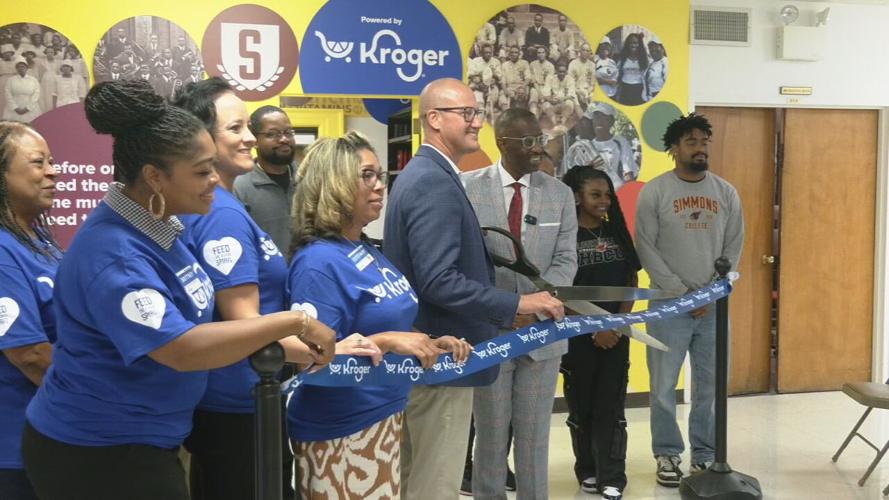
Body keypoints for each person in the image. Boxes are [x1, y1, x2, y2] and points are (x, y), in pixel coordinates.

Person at [20, 79, 335, 500]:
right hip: (99, 449)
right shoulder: (115, 253)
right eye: (202, 171)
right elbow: (181, 348)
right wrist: (297, 321)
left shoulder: (163, 228)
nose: (213, 180)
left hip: (150, 436)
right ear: (154, 177)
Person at [383, 77, 564, 500]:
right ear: (434, 119)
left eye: (476, 112)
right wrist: (515, 301)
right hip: (442, 358)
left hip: (432, 353)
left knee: (417, 475)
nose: (476, 122)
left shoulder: (429, 174)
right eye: (465, 113)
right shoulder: (432, 181)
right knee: (435, 483)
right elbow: (438, 279)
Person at [287, 131, 470, 499]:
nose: (379, 186)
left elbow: (384, 320)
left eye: (379, 176)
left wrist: (425, 341)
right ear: (333, 183)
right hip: (340, 429)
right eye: (366, 176)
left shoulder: (364, 248)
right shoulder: (319, 263)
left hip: (382, 416)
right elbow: (315, 360)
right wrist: (388, 342)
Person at [173, 78, 315, 500]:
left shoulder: (224, 205)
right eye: (235, 129)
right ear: (201, 138)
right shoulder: (221, 214)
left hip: (239, 399)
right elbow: (245, 326)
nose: (250, 138)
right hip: (238, 402)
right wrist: (328, 351)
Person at [463, 107, 577, 500]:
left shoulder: (559, 193)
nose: (537, 149)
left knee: (534, 441)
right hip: (492, 333)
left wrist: (538, 304)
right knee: (490, 440)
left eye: (539, 141)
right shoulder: (466, 188)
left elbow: (566, 259)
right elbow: (466, 262)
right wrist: (506, 307)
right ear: (503, 142)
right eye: (527, 142)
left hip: (542, 336)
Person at [634, 113, 744, 487]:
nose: (700, 149)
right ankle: (667, 453)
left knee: (710, 387)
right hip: (668, 305)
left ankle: (705, 454)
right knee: (664, 386)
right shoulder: (656, 192)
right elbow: (646, 248)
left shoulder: (726, 193)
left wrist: (712, 291)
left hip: (714, 307)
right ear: (674, 149)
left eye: (704, 142)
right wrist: (682, 294)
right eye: (692, 142)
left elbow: (733, 248)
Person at [561, 165, 642, 500]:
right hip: (577, 337)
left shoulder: (618, 234)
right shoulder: (565, 237)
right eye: (596, 194)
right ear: (577, 197)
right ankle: (588, 470)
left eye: (607, 194)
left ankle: (613, 474)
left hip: (615, 337)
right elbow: (557, 291)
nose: (604, 201)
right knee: (582, 408)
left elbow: (631, 283)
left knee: (611, 406)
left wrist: (616, 325)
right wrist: (593, 327)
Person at [0, 122, 61, 500]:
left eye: (52, 161)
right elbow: (30, 355)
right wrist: (93, 400)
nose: (53, 171)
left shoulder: (38, 237)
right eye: (39, 163)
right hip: (15, 449)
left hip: (49, 436)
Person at [234, 105, 298, 255]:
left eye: (288, 132)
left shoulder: (308, 178)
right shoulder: (240, 188)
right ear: (254, 140)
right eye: (272, 134)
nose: (284, 139)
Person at [587, 102, 639, 190]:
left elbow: (628, 175)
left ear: (611, 121)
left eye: (603, 117)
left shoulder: (620, 142)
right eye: (596, 117)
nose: (598, 120)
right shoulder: (587, 146)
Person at [3, 58, 40, 122]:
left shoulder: (33, 80)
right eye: (18, 67)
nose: (21, 68)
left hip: (30, 105)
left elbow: (36, 94)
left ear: (26, 68)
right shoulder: (11, 80)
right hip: (14, 106)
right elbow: (8, 94)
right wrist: (15, 108)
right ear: (16, 69)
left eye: (23, 66)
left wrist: (28, 108)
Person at [616, 33, 648, 106]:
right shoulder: (622, 58)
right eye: (630, 43)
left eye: (636, 43)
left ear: (640, 44)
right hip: (625, 89)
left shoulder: (644, 59)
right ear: (627, 44)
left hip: (639, 89)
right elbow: (617, 74)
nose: (633, 45)